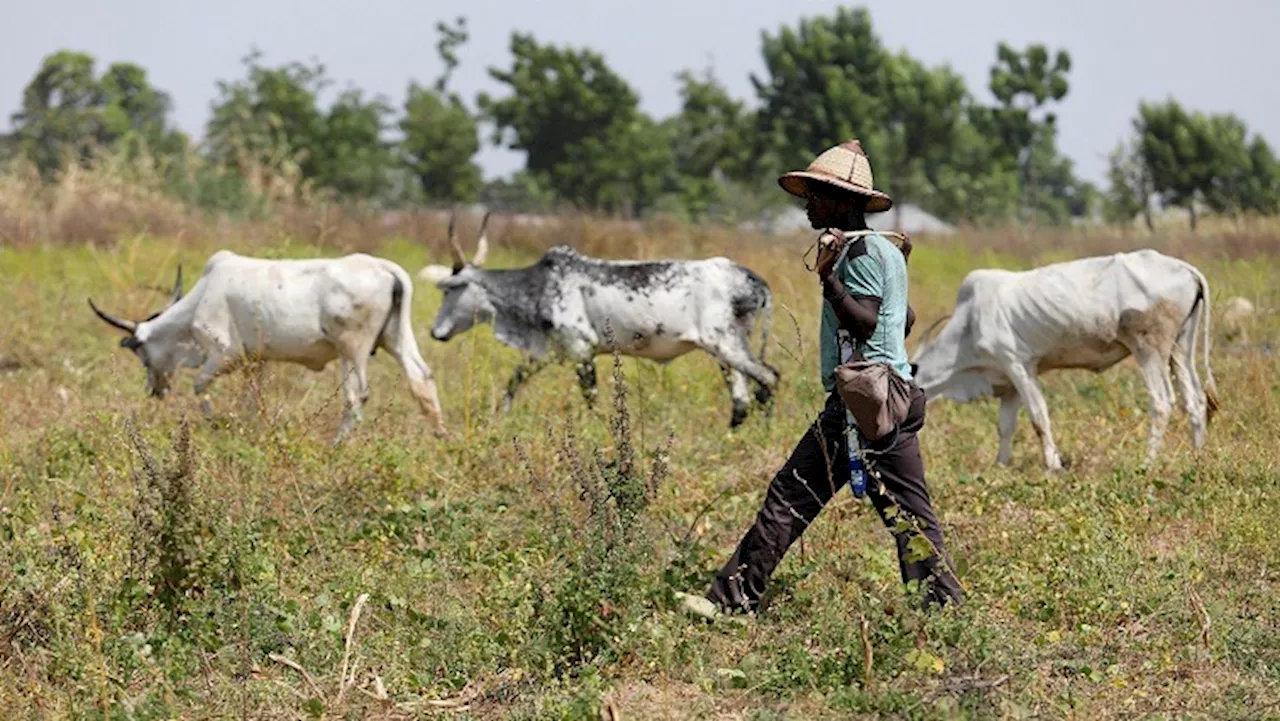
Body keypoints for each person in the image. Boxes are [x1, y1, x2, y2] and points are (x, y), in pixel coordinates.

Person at [680, 139, 964, 618]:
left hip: (869, 405)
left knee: (793, 496)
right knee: (905, 516)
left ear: (841, 200)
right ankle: (943, 612)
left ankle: (732, 601)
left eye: (815, 195)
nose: (808, 205)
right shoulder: (884, 250)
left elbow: (867, 323)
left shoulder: (859, 256)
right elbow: (904, 320)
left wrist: (831, 284)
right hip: (886, 398)